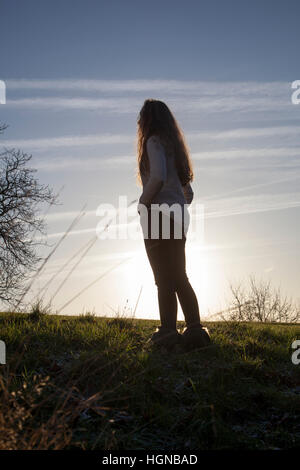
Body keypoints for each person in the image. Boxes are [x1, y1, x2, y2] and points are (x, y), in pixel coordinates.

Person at [136, 99, 211, 351]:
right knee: (179, 275)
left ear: (147, 120)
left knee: (163, 278)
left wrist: (143, 202)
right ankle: (194, 331)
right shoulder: (175, 149)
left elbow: (156, 176)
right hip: (178, 217)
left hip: (157, 214)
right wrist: (175, 202)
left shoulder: (153, 141)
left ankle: (168, 332)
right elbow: (188, 194)